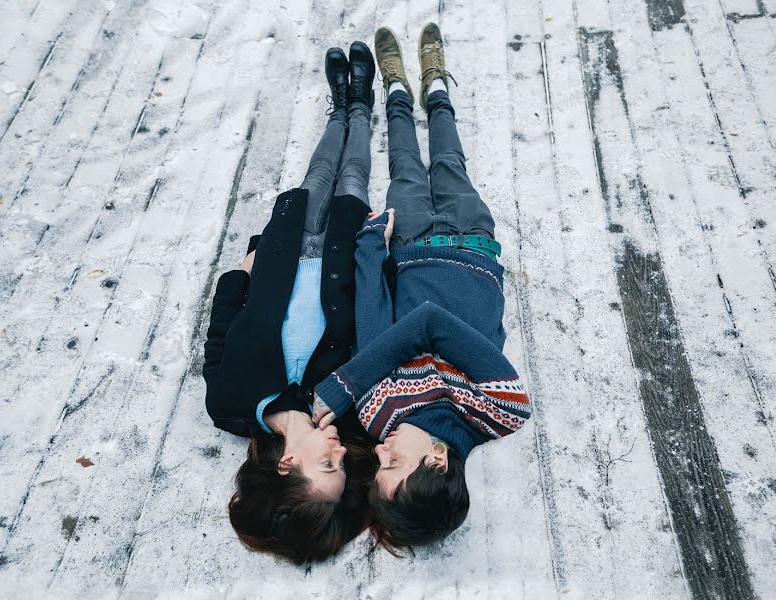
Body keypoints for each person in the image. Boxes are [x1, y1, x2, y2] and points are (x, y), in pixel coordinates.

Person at [312, 24, 531, 552]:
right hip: (473, 244)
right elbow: (431, 323)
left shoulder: (377, 412)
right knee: (450, 162)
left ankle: (395, 89)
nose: (380, 452)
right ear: (437, 459)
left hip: (409, 244)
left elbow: (376, 316)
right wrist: (346, 382)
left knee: (406, 165)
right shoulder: (502, 411)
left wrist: (370, 245)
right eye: (393, 464)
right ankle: (437, 86)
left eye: (377, 467)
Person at [202, 42, 377, 564]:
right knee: (354, 176)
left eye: (328, 466)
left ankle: (340, 107)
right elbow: (373, 326)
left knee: (320, 171)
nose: (340, 455)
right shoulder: (346, 411)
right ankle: (361, 107)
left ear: (287, 464)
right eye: (343, 467)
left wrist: (241, 272)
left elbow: (219, 334)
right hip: (341, 253)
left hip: (282, 255)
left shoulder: (229, 406)